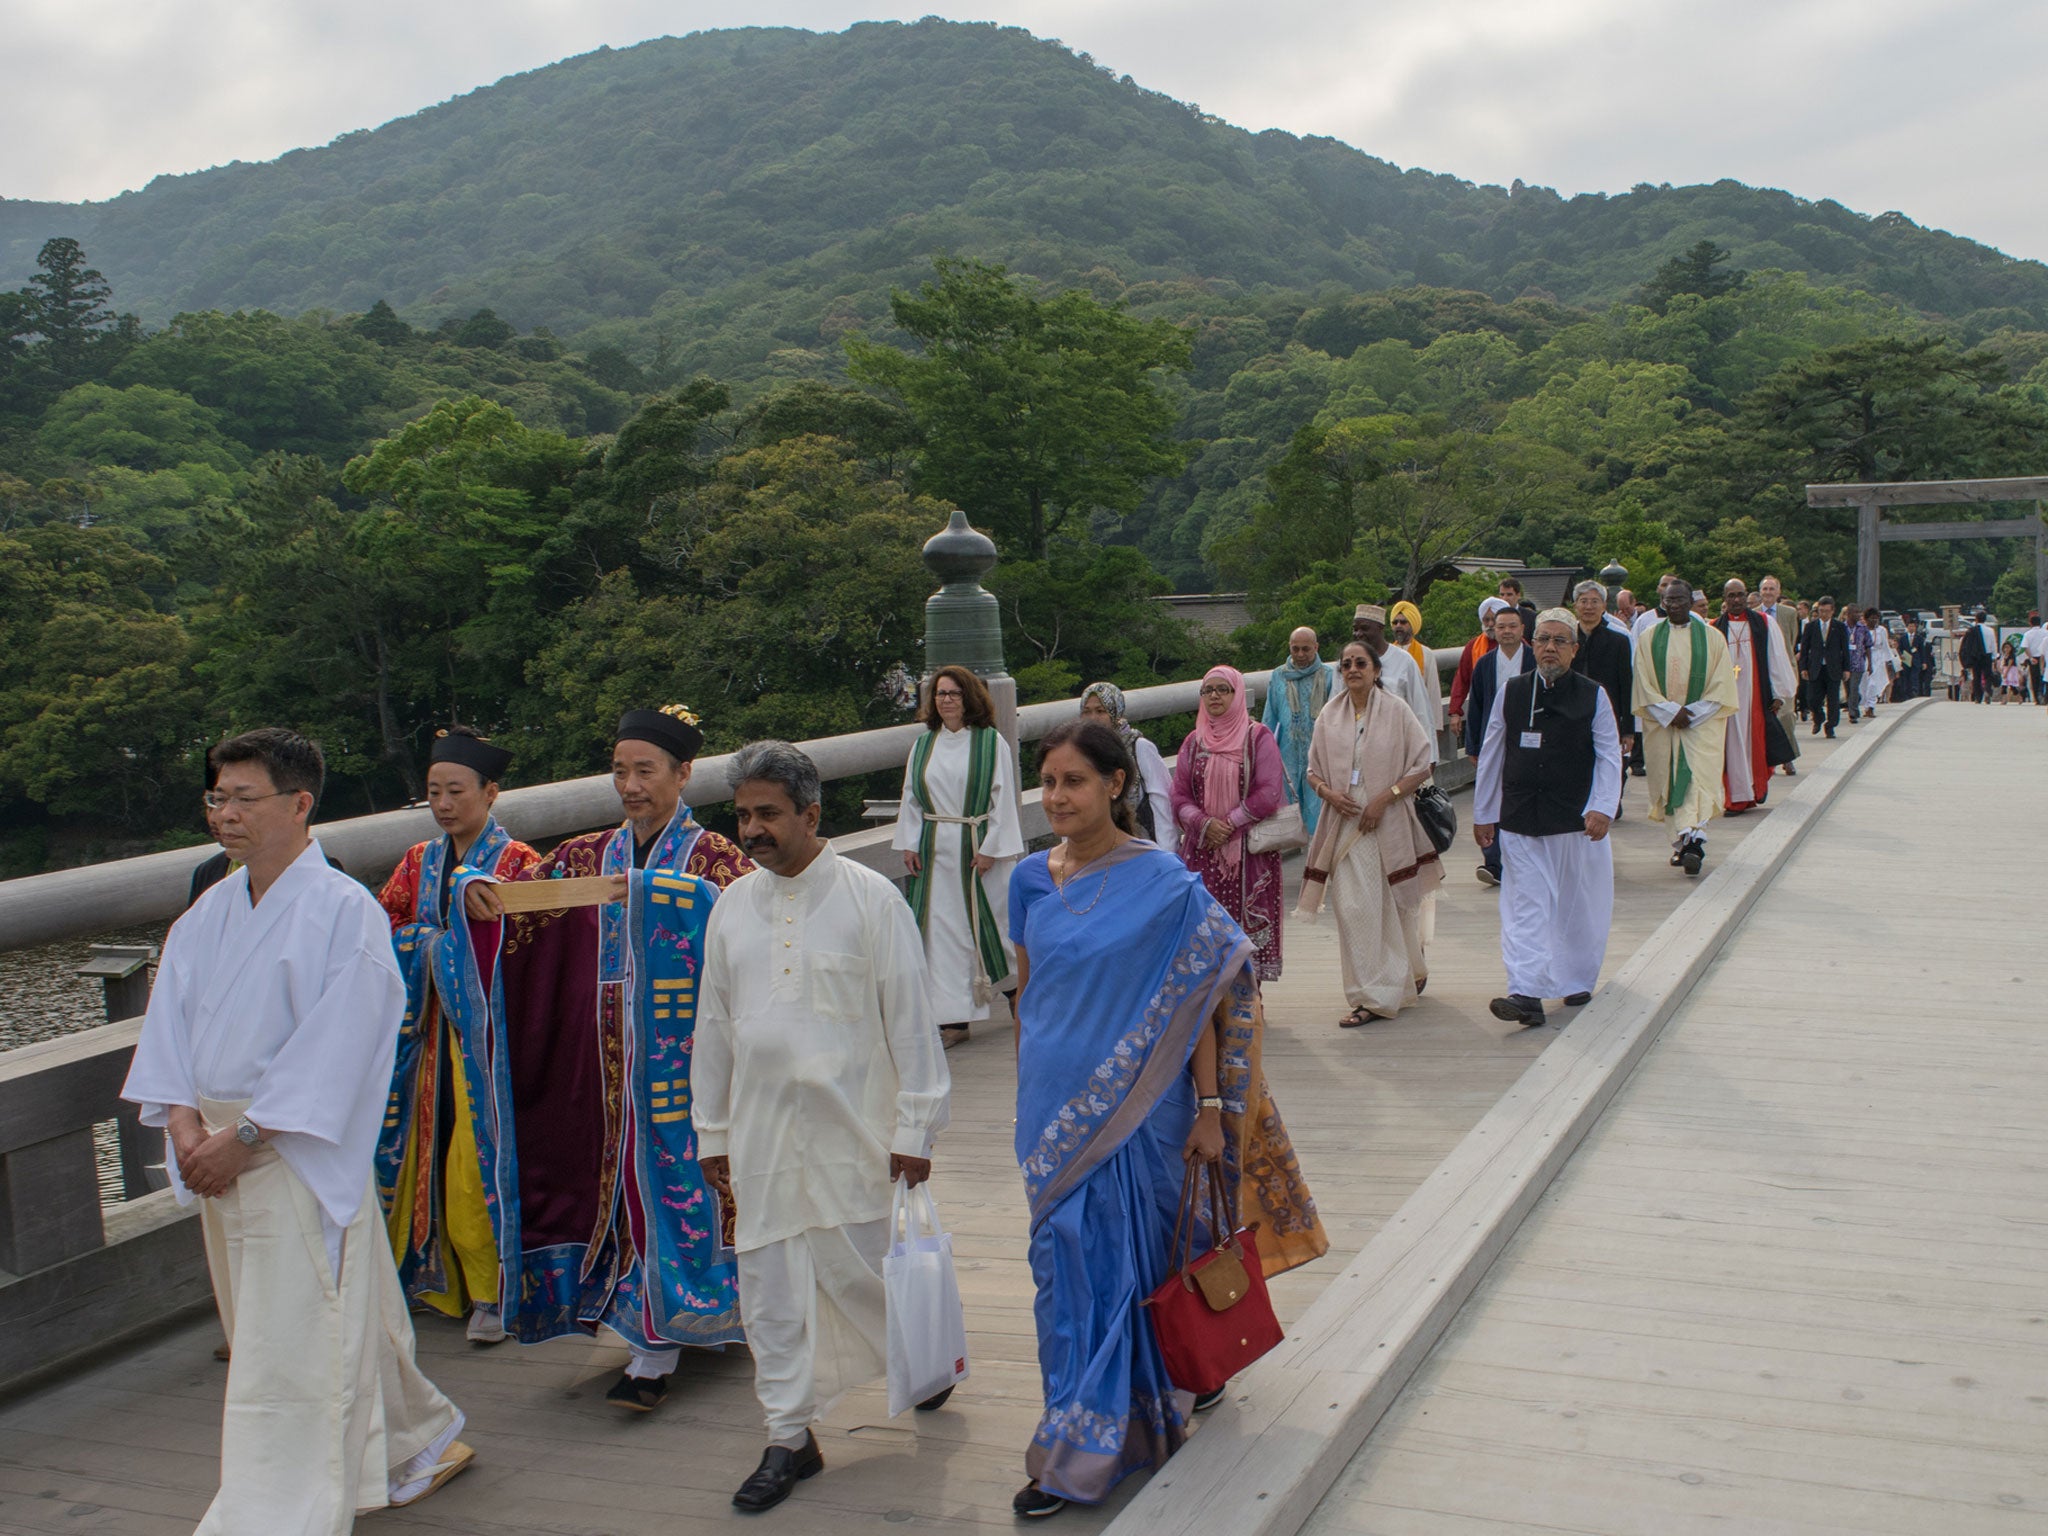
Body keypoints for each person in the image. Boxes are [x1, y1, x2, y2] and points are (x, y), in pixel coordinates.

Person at [122, 728, 471, 1531]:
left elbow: (338, 1050)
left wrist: (242, 1141)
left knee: (294, 1339)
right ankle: (415, 1436)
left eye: (245, 799)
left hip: (285, 1147)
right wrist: (180, 1123)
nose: (226, 815)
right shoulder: (209, 912)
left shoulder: (343, 912)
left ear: (300, 803)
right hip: (211, 1141)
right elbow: (168, 1029)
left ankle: (277, 1503)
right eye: (217, 799)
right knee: (280, 1318)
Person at [1009, 720, 1326, 1517]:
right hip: (1054, 1111)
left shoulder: (1165, 884)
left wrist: (1213, 1109)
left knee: (1131, 1266)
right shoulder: (1027, 881)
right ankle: (1096, 1411)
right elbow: (1029, 992)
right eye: (1047, 783)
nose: (1058, 798)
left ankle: (1087, 1444)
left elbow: (1207, 1000)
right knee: (1064, 1272)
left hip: (1149, 1110)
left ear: (1116, 784)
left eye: (1074, 781)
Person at [461, 706, 751, 1409]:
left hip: (691, 1062)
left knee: (689, 1185)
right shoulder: (589, 856)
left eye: (644, 771)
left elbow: (751, 924)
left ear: (683, 775)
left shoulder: (715, 858)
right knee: (620, 1191)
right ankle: (653, 1331)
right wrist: (470, 887)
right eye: (619, 770)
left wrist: (667, 896)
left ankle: (671, 1339)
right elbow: (521, 902)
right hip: (600, 1065)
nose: (629, 785)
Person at [694, 741, 953, 1512]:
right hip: (763, 1132)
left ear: (812, 813)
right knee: (769, 1285)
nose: (752, 830)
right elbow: (714, 1027)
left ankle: (925, 1357)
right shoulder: (732, 907)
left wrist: (918, 1126)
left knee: (864, 1272)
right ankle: (789, 1437)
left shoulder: (871, 899)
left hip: (857, 1130)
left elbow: (911, 1022)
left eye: (768, 814)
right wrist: (711, 1130)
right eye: (742, 815)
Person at [374, 726, 540, 1343]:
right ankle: (432, 1278)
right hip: (424, 1040)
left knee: (481, 1164)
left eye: (456, 791)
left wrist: (459, 953)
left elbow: (534, 948)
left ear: (490, 792)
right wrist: (434, 945)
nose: (443, 804)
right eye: (434, 792)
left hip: (491, 1043)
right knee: (423, 1155)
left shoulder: (519, 863)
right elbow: (383, 926)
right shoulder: (418, 861)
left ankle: (495, 1291)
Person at [1474, 611, 1621, 1028]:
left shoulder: (1593, 695)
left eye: (1560, 641)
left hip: (1575, 822)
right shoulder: (1512, 691)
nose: (1550, 648)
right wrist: (1485, 813)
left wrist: (1602, 806)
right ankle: (1525, 992)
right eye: (1543, 639)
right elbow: (1493, 752)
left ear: (1574, 649)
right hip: (1521, 819)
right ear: (1531, 644)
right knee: (1526, 907)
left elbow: (1610, 756)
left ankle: (1574, 977)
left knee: (1576, 908)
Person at [1295, 642, 1442, 1026]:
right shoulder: (1330, 714)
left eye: (1360, 663)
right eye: (1345, 664)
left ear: (1376, 670)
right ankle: (1371, 996)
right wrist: (1329, 794)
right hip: (1343, 821)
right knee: (1354, 908)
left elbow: (1423, 763)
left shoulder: (1396, 711)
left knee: (1389, 904)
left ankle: (1402, 973)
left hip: (1387, 819)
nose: (1352, 669)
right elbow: (1312, 771)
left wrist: (1384, 799)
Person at [893, 665, 1023, 1046]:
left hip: (977, 845)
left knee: (992, 928)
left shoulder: (989, 742)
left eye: (953, 693)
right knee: (944, 936)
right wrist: (910, 843)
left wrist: (990, 849)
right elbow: (911, 797)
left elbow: (1002, 799)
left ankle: (1016, 993)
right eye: (939, 694)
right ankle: (954, 1020)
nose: (945, 700)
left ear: (969, 697)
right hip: (937, 853)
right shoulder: (923, 744)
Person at [1171, 666, 1287, 981]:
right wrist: (1204, 823)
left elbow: (1269, 791)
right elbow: (1179, 796)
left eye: (1223, 689)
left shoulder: (1256, 736)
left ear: (1237, 695)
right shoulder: (1194, 742)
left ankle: (1247, 1004)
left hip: (1249, 852)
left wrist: (1230, 822)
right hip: (1202, 850)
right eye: (1208, 690)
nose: (1215, 696)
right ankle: (1210, 1005)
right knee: (1204, 928)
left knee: (1243, 928)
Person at [1633, 576, 1737, 876]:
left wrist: (1690, 713)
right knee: (1668, 784)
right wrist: (1669, 712)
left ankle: (1695, 841)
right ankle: (1682, 844)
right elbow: (1643, 681)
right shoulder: (1649, 637)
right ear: (1662, 604)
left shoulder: (1712, 637)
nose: (1674, 605)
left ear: (1692, 602)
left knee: (1698, 784)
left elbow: (1722, 684)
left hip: (1700, 726)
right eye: (1668, 600)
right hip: (1663, 726)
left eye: (1680, 600)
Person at [1463, 604, 1534, 885]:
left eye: (1512, 626)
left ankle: (1521, 858)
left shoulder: (1533, 658)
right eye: (1500, 627)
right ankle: (1492, 861)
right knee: (1492, 797)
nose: (1506, 631)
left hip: (1528, 742)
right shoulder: (1485, 663)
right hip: (1493, 741)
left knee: (1521, 798)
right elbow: (1476, 707)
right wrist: (1474, 747)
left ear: (1522, 630)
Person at [1713, 579, 1796, 814]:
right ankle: (1736, 797)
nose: (1736, 600)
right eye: (1731, 596)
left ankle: (1755, 788)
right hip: (1726, 700)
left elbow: (1776, 657)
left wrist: (1779, 693)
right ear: (1725, 598)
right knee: (1731, 749)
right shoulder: (1714, 628)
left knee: (1757, 744)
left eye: (1740, 595)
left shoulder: (1763, 623)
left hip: (1755, 698)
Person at [1080, 681, 1176, 851]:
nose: (1093, 718)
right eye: (1087, 712)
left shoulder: (1138, 746)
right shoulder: (1079, 753)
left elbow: (1162, 803)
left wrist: (1167, 854)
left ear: (1115, 713)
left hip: (1139, 846)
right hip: (1095, 849)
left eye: (1101, 711)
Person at [1260, 627, 1335, 837]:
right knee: (1287, 811)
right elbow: (1270, 717)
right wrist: (1265, 754)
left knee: (1318, 811)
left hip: (1320, 755)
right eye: (1295, 649)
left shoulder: (1329, 676)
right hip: (1288, 755)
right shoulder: (1278, 676)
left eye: (1306, 649)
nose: (1300, 655)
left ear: (1316, 648)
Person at [1569, 579, 1634, 815]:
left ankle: (1609, 802)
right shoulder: (1567, 638)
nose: (1588, 607)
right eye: (1583, 601)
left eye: (1594, 601)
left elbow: (1627, 684)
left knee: (1610, 759)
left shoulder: (1618, 640)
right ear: (1575, 605)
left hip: (1609, 710)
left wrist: (1628, 729)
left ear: (1604, 605)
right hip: (1572, 709)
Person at [1354, 603, 1441, 748]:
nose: (1398, 626)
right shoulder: (1348, 663)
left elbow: (1427, 699)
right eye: (1395, 622)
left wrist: (1434, 735)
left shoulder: (1410, 659)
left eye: (1403, 622)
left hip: (1400, 736)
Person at [1447, 597, 1505, 739]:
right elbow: (1462, 678)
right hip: (1481, 709)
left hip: (1509, 708)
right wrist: (1455, 711)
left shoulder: (1516, 644)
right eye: (1486, 620)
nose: (1490, 624)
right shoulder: (1473, 646)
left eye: (1494, 619)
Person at [1797, 597, 1851, 737]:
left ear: (1832, 611)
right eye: (1821, 611)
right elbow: (1804, 649)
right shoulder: (1811, 627)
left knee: (1833, 700)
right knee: (1813, 699)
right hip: (1815, 667)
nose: (1824, 614)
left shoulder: (1839, 627)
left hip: (1833, 668)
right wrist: (1803, 667)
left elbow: (1845, 649)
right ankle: (1818, 717)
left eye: (1827, 611)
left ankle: (1830, 726)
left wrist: (1846, 668)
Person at [1860, 608, 1898, 715]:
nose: (1874, 621)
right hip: (1865, 658)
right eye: (1872, 618)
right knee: (1865, 684)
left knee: (1874, 684)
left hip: (1878, 659)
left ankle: (1871, 706)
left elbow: (1885, 646)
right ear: (1867, 619)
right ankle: (1866, 705)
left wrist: (1888, 661)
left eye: (1876, 618)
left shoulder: (1881, 630)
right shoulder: (1862, 630)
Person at [1845, 607, 1871, 720]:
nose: (1858, 615)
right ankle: (1856, 700)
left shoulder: (1863, 628)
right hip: (1845, 664)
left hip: (1858, 663)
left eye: (1859, 612)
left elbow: (1868, 646)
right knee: (1849, 690)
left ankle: (1853, 713)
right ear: (1848, 614)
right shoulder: (1842, 627)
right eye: (1856, 612)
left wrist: (1870, 663)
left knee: (1854, 687)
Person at [2020, 612, 2047, 704]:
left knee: (2035, 678)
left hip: (2034, 658)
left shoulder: (2028, 634)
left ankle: (2037, 698)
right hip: (2045, 657)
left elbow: (2025, 647)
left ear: (2030, 623)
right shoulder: (2046, 633)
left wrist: (2031, 657)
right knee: (2044, 677)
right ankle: (2044, 695)